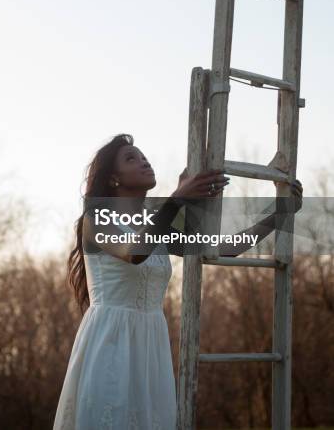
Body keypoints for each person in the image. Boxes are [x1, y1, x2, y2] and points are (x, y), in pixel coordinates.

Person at [52, 134, 303, 429]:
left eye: (143, 155)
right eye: (130, 158)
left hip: (151, 344)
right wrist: (177, 199)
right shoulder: (96, 220)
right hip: (111, 341)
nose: (143, 160)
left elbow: (226, 247)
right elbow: (135, 253)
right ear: (112, 179)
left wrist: (278, 214)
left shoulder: (155, 225)